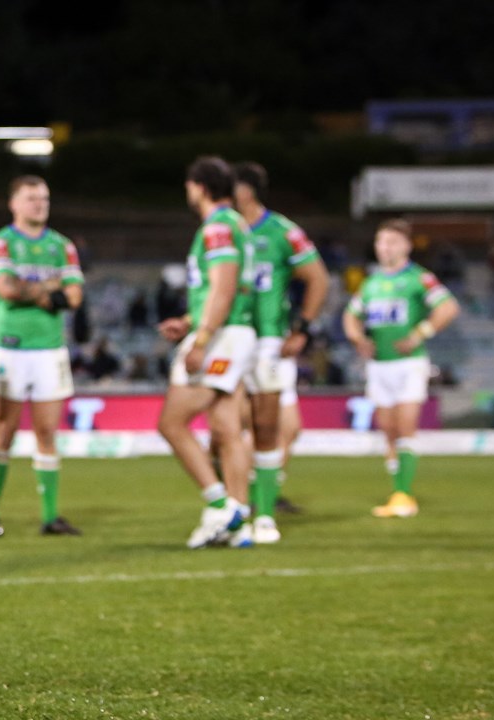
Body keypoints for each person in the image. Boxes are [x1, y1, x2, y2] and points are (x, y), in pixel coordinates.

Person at [156, 156, 256, 549]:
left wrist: (200, 339)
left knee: (171, 423)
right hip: (232, 331)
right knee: (227, 431)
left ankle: (220, 505)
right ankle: (240, 521)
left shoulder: (216, 226)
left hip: (223, 337)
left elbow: (223, 286)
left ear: (198, 186)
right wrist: (189, 320)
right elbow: (221, 290)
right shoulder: (238, 225)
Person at [0, 175, 85, 538]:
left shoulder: (62, 246)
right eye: (31, 198)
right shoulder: (1, 242)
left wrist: (33, 290)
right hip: (11, 346)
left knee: (46, 432)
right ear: (14, 204)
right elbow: (6, 289)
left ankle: (51, 517)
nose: (39, 204)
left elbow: (74, 298)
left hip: (50, 349)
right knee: (3, 431)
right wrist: (51, 288)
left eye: (44, 198)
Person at [231, 161, 331, 544]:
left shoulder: (282, 232)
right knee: (235, 426)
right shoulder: (222, 231)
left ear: (247, 190)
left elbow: (317, 278)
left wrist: (302, 328)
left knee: (285, 428)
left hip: (269, 341)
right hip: (231, 339)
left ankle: (256, 496)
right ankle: (242, 502)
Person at [342, 219, 460, 518]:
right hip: (379, 365)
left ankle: (404, 494)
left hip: (409, 363)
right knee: (389, 429)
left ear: (406, 246)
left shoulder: (418, 278)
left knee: (406, 425)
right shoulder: (371, 283)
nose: (386, 247)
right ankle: (398, 489)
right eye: (382, 242)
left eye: (393, 242)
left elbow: (447, 307)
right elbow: (351, 316)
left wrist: (420, 334)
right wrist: (358, 339)